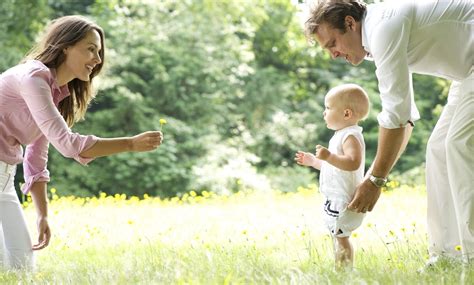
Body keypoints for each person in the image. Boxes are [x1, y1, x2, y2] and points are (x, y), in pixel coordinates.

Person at [304, 0, 473, 266]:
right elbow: (405, 120)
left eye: (333, 43)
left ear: (350, 23)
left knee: (459, 144)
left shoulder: (384, 28)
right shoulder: (376, 37)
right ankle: (447, 255)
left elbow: (396, 117)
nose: (333, 54)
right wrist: (374, 178)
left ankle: (472, 256)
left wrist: (375, 182)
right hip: (466, 74)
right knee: (438, 149)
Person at [0, 15, 163, 270]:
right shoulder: (33, 78)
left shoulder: (52, 94)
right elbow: (68, 144)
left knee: (22, 267)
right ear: (66, 46)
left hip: (4, 181)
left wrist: (42, 214)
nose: (97, 60)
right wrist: (130, 144)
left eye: (99, 52)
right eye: (90, 49)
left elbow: (35, 160)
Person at [295, 84, 370, 269]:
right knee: (337, 235)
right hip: (335, 197)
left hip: (345, 199)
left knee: (341, 236)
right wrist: (314, 162)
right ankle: (340, 269)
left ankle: (344, 273)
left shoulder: (350, 136)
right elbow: (334, 167)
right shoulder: (340, 135)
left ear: (346, 114)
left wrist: (329, 156)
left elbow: (353, 162)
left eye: (328, 108)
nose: (324, 113)